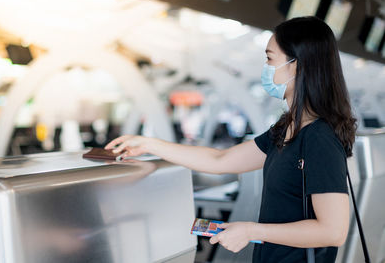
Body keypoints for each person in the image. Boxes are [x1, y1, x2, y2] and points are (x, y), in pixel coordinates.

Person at [104, 16, 356, 262]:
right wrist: (150, 144)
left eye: (270, 58)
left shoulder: (319, 137)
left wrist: (251, 230)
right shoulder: (288, 129)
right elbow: (220, 159)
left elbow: (333, 231)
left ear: (296, 65)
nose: (266, 67)